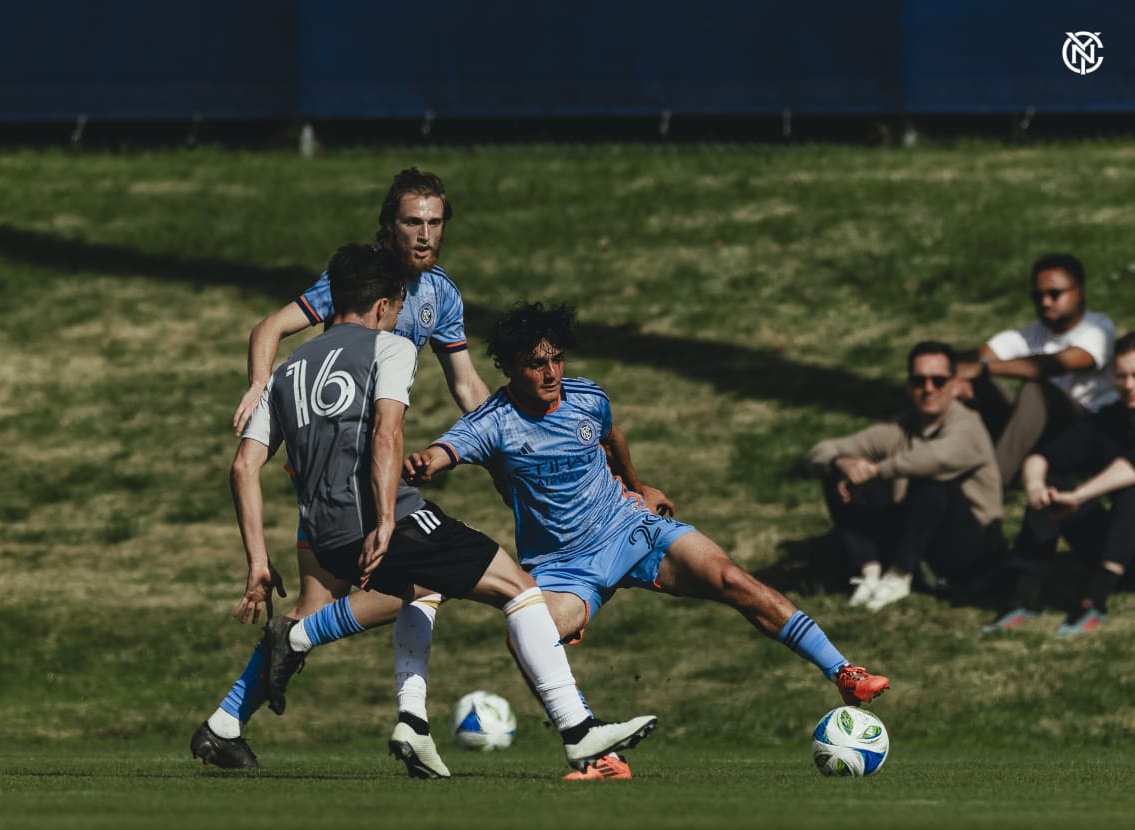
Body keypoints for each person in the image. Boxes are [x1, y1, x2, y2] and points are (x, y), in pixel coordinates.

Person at [196, 245, 657, 779]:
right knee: (519, 587)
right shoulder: (387, 347)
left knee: (421, 589)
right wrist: (388, 520)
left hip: (321, 531)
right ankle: (580, 733)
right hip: (383, 517)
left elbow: (243, 468)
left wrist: (257, 561)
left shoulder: (284, 373)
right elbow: (389, 432)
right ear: (382, 306)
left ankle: (410, 722)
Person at [404, 301, 890, 780]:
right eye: (536, 363)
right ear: (509, 367)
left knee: (731, 578)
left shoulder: (587, 397)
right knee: (526, 634)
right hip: (564, 567)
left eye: (557, 359)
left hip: (630, 530)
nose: (551, 372)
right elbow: (446, 450)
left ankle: (843, 672)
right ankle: (596, 753)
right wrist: (426, 462)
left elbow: (612, 437)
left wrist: (638, 488)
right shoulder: (493, 422)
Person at [193, 168, 488, 767]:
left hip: (346, 471)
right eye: (413, 222)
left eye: (434, 222)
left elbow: (467, 386)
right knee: (428, 582)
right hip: (349, 470)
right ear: (389, 228)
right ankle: (414, 721)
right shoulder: (358, 280)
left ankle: (223, 723)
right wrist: (260, 383)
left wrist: (502, 441)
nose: (425, 235)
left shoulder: (442, 295)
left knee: (312, 609)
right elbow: (271, 326)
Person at [806, 341, 1003, 610]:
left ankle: (900, 574)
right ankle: (870, 574)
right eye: (919, 380)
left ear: (954, 384)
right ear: (909, 385)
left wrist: (875, 470)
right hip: (919, 532)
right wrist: (842, 462)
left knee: (931, 481)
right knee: (838, 475)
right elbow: (821, 450)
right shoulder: (901, 427)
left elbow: (935, 458)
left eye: (938, 380)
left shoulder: (968, 425)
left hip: (971, 545)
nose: (929, 388)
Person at [983, 332, 1135, 637]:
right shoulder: (1110, 419)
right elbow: (1043, 455)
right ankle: (1025, 596)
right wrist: (1037, 487)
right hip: (1123, 546)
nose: (1128, 385)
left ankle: (1095, 599)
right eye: (1121, 376)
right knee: (1050, 484)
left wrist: (1077, 496)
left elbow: (1128, 469)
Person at [954, 253, 1116, 487]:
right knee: (971, 385)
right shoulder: (1031, 333)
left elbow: (1053, 365)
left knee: (1034, 390)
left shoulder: (1099, 328)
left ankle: (988, 487)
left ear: (1078, 291)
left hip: (1086, 426)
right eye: (1037, 296)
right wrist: (959, 374)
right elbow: (977, 356)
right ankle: (944, 465)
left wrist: (983, 369)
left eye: (1054, 294)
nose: (1045, 302)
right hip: (1037, 426)